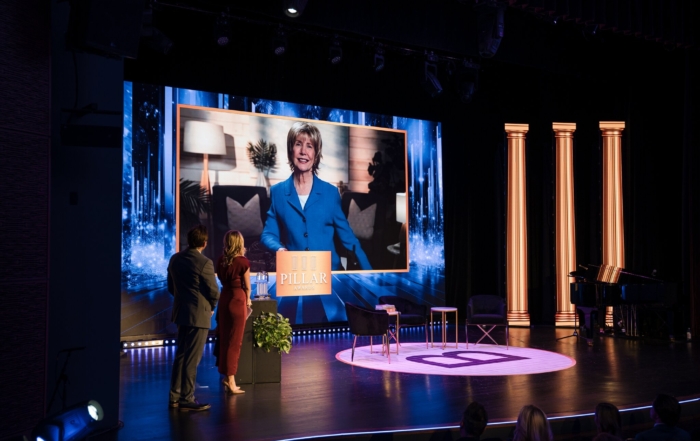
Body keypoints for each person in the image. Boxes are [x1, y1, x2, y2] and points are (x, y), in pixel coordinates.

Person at [261, 121, 372, 270]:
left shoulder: (331, 193)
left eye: (310, 146)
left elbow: (348, 238)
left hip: (329, 273)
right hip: (294, 272)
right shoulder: (277, 192)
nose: (303, 152)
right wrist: (279, 249)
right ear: (291, 149)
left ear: (316, 153)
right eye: (298, 144)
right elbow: (268, 234)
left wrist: (370, 274)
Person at [167, 224, 220, 411]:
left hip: (181, 312)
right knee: (192, 358)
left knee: (181, 355)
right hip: (199, 314)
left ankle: (174, 396)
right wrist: (211, 306)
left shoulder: (175, 259)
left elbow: (170, 287)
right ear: (204, 243)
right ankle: (186, 398)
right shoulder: (205, 262)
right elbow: (214, 291)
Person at [215, 230, 252, 395]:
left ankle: (225, 376)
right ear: (240, 243)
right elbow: (247, 286)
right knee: (235, 342)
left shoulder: (221, 260)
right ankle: (231, 380)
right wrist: (248, 299)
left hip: (224, 299)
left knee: (224, 338)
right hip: (237, 299)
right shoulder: (243, 262)